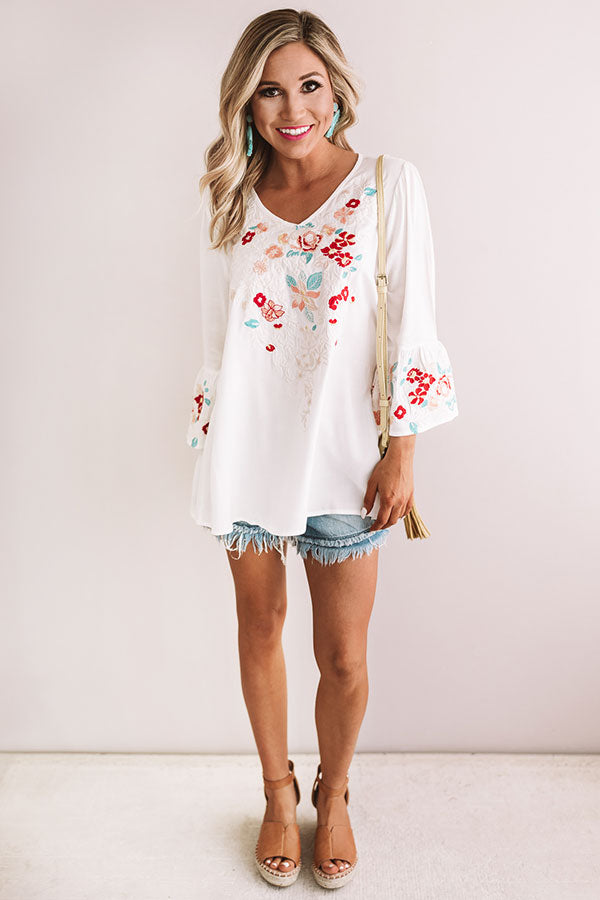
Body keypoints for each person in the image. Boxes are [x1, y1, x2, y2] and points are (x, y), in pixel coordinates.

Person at [185, 9, 459, 890]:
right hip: (249, 457)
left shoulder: (387, 185)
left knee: (342, 657)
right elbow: (216, 346)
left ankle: (333, 794)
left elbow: (413, 322)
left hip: (346, 459)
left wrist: (402, 450)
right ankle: (277, 793)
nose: (292, 108)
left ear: (336, 88)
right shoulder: (228, 197)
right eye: (269, 91)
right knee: (259, 629)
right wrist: (211, 452)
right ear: (246, 102)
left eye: (308, 85)